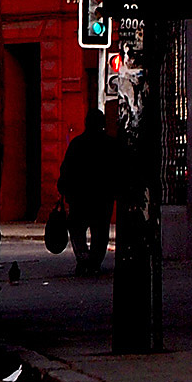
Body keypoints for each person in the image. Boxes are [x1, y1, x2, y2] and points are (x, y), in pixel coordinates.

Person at [56, 98, 123, 276]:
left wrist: (64, 188)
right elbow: (117, 169)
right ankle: (94, 261)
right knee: (100, 230)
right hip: (102, 196)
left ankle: (83, 258)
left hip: (80, 196)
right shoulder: (110, 144)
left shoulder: (77, 144)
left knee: (77, 228)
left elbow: (67, 168)